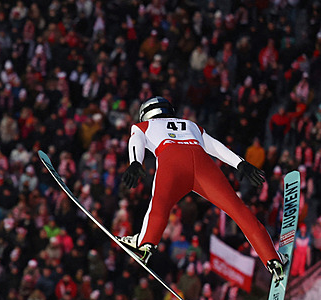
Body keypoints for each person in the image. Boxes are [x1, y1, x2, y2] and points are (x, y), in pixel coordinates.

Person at [118, 96, 286, 281]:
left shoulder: (142, 126)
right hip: (202, 163)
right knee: (238, 211)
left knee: (159, 206)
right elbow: (214, 145)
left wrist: (135, 162)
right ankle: (272, 259)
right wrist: (241, 163)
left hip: (172, 161)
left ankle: (146, 243)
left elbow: (136, 141)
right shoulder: (189, 124)